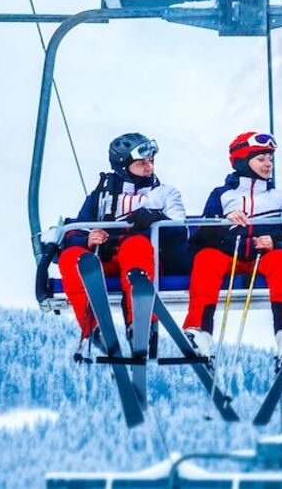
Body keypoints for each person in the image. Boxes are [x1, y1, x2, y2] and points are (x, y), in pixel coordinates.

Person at [56, 132, 188, 357]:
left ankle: (139, 324)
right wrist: (86, 240)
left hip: (142, 259)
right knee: (71, 258)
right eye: (141, 163)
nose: (149, 168)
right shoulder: (101, 196)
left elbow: (179, 232)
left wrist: (156, 218)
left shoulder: (164, 193)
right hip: (105, 258)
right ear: (123, 167)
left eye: (151, 161)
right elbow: (76, 230)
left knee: (136, 244)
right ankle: (94, 330)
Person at [182, 131, 282, 356]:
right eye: (261, 159)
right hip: (230, 256)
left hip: (265, 258)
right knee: (206, 259)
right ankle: (199, 330)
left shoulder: (280, 198)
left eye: (270, 158)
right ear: (242, 161)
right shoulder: (221, 195)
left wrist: (275, 243)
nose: (268, 164)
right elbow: (201, 239)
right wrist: (223, 222)